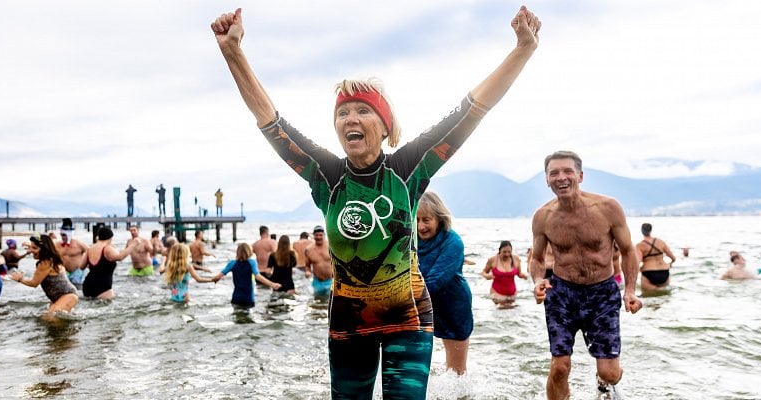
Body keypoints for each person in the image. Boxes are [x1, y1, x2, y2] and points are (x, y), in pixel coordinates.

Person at [211, 5, 539, 397]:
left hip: (409, 317)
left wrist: (522, 49)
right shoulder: (326, 176)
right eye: (343, 113)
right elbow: (270, 122)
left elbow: (471, 111)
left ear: (384, 127)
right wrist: (233, 52)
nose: (350, 118)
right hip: (349, 322)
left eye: (363, 111)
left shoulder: (407, 167)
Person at [530, 151, 642, 400]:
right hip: (562, 295)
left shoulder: (607, 208)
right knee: (560, 367)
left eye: (567, 171)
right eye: (554, 173)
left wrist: (631, 290)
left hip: (602, 293)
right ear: (546, 180)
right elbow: (536, 259)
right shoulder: (543, 217)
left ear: (580, 175)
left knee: (610, 373)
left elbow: (627, 250)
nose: (561, 177)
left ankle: (603, 386)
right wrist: (538, 280)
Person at [415, 192, 473, 375]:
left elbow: (434, 281)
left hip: (453, 307)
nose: (420, 226)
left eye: (426, 219)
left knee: (456, 374)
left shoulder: (453, 242)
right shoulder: (409, 240)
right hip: (420, 306)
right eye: (415, 220)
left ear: (439, 218)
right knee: (414, 369)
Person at [10, 234, 79, 319]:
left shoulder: (46, 263)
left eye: (34, 248)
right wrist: (33, 246)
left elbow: (34, 283)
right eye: (31, 247)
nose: (30, 251)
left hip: (68, 295)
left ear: (44, 250)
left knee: (49, 318)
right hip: (60, 297)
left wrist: (20, 279)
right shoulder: (50, 258)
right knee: (51, 322)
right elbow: (50, 243)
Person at [210, 243, 280, 307]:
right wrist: (272, 284)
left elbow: (218, 276)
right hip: (248, 298)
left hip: (236, 297)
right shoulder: (252, 262)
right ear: (249, 251)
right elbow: (258, 276)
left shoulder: (232, 263)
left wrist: (214, 280)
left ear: (237, 252)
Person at [82, 226, 139, 299]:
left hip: (87, 285)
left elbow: (81, 266)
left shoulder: (89, 249)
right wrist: (133, 245)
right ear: (110, 238)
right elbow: (120, 257)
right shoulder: (107, 248)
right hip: (103, 287)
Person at [481, 240, 527, 306]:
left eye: (509, 252)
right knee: (500, 313)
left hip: (512, 294)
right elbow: (483, 272)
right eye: (504, 252)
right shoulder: (493, 260)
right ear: (499, 251)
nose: (507, 254)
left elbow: (519, 274)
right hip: (496, 294)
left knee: (513, 313)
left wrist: (525, 276)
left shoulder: (516, 259)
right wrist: (487, 276)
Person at [635, 223, 676, 293]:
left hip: (648, 272)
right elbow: (673, 258)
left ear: (642, 231)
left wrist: (638, 270)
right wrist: (670, 264)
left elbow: (637, 262)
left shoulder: (640, 245)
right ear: (651, 230)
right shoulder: (661, 242)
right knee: (663, 296)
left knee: (648, 298)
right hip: (664, 272)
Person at [56, 218, 90, 288]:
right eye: (61, 235)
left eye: (64, 235)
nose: (62, 237)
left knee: (78, 289)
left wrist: (87, 263)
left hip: (77, 272)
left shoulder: (78, 244)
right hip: (64, 272)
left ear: (69, 235)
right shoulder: (57, 245)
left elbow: (91, 252)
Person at [304, 225, 333, 298]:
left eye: (320, 235)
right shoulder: (308, 250)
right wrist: (307, 272)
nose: (318, 237)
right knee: (317, 301)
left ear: (324, 235)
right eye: (316, 235)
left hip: (331, 281)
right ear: (313, 236)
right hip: (317, 282)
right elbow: (307, 266)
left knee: (329, 302)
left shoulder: (331, 246)